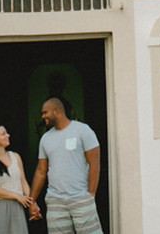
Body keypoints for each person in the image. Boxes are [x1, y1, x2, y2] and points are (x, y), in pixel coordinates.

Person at [28, 97, 102, 234]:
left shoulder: (83, 130)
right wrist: (32, 200)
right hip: (55, 201)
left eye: (45, 112)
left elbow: (95, 163)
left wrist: (90, 194)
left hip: (81, 197)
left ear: (56, 111)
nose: (43, 116)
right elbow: (40, 171)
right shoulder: (45, 138)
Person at [0, 123, 39, 232]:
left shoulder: (16, 157)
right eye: (3, 134)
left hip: (16, 206)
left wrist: (33, 203)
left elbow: (23, 182)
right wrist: (16, 195)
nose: (8, 135)